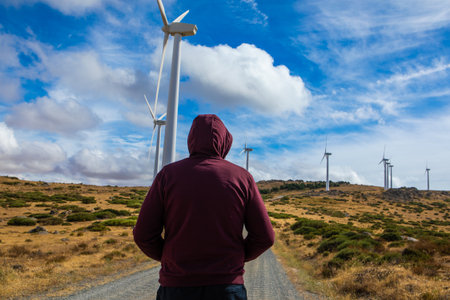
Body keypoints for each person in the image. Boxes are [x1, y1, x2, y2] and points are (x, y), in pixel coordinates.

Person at [133, 114, 274, 300]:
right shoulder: (242, 178)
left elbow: (143, 234)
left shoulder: (167, 175)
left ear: (191, 139)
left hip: (176, 287)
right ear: (226, 141)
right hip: (227, 288)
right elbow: (265, 237)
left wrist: (171, 258)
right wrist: (236, 258)